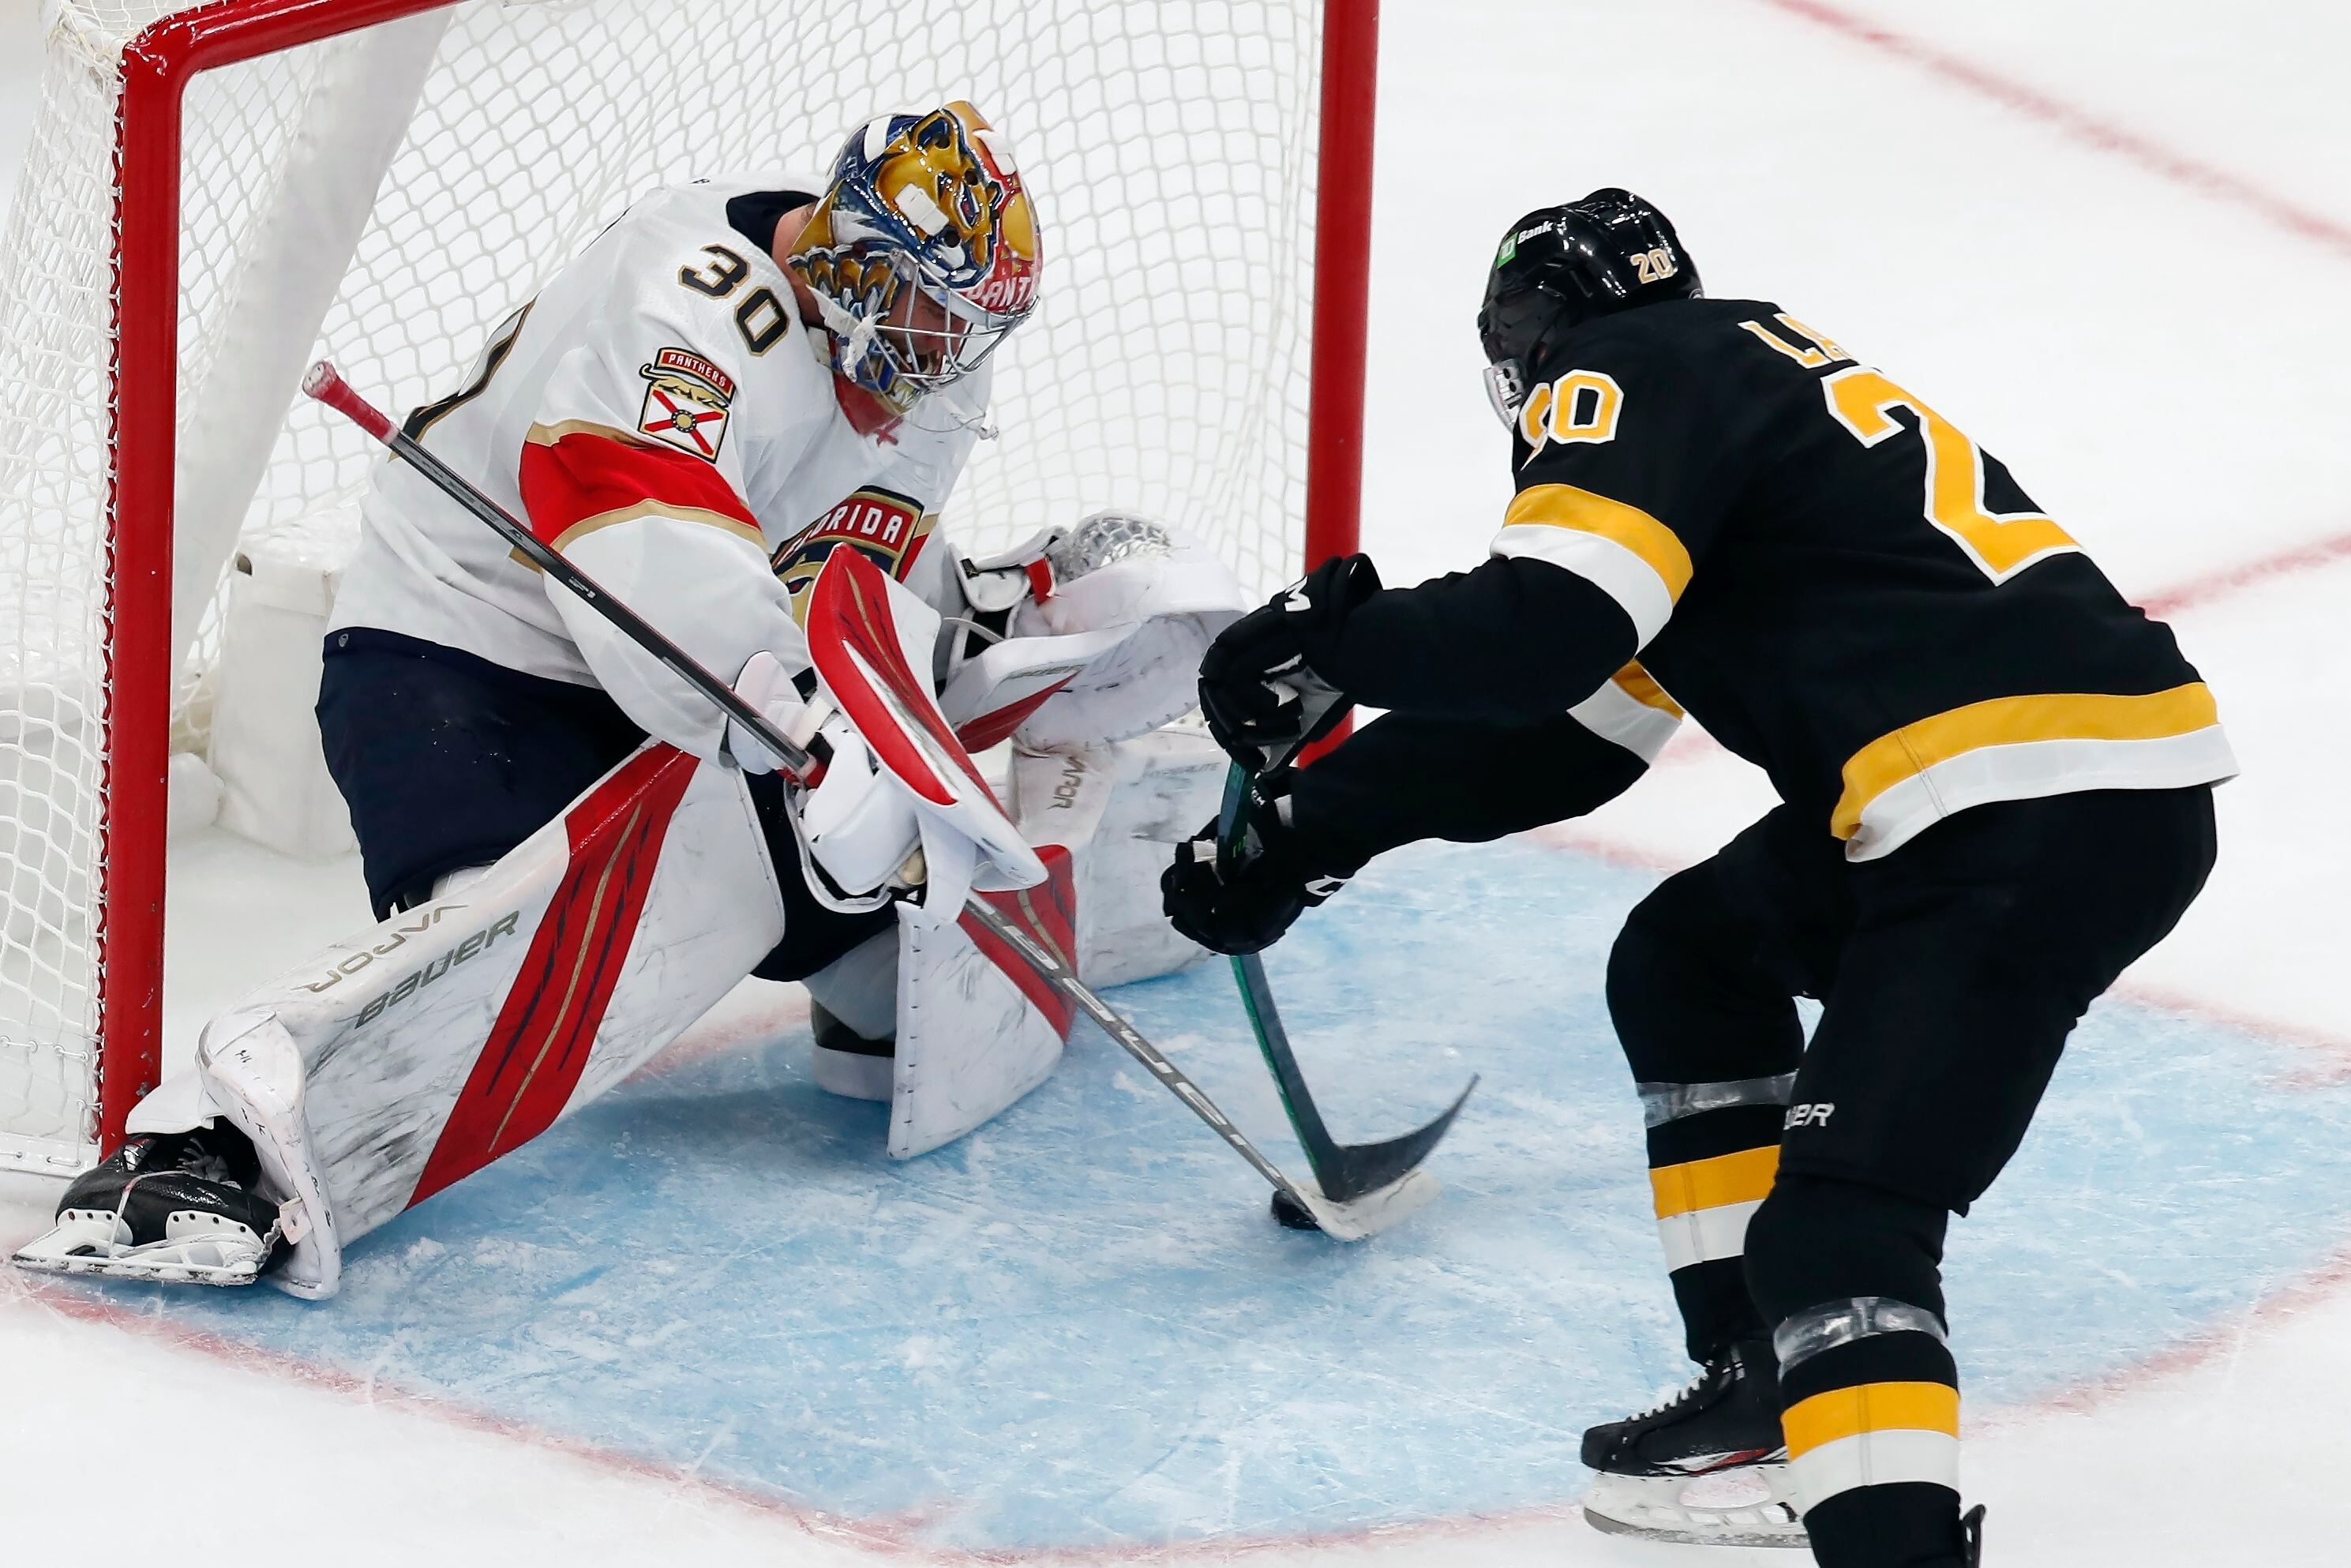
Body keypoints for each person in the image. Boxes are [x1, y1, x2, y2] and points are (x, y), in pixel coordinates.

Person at [1164, 189, 2231, 1567]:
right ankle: (1758, 1390)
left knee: (1841, 1235)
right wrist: (1306, 831)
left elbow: (1535, 633)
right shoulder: (1732, 402)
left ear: (1533, 340)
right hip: (2031, 787)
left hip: (2006, 810)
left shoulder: (1627, 373)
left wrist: (1330, 636)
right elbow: (1559, 742)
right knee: (1689, 956)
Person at [18, 103, 1243, 1296]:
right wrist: (810, 733)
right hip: (462, 661)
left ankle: (847, 957)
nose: (942, 362)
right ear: (860, 263)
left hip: (687, 686)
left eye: (969, 332)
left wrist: (984, 638)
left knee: (891, 941)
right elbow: (644, 545)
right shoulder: (685, 298)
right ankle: (198, 1152)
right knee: (508, 955)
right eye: (929, 316)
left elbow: (845, 575)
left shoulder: (919, 379)